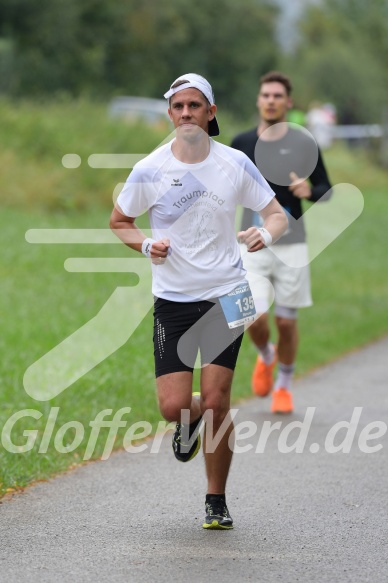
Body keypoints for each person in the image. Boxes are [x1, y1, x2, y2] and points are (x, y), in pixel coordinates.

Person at [110, 73, 288, 529]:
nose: (186, 113)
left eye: (194, 105)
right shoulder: (150, 169)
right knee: (174, 406)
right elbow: (120, 220)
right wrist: (146, 245)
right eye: (178, 107)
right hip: (172, 298)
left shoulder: (234, 164)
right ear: (170, 114)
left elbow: (276, 214)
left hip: (229, 292)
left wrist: (264, 234)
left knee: (217, 399)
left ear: (211, 112)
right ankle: (185, 425)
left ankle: (216, 499)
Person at [231, 71, 332, 414]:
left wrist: (310, 191)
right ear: (258, 101)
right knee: (250, 317)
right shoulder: (241, 143)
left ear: (288, 102)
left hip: (292, 244)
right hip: (251, 242)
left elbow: (327, 191)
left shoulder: (305, 144)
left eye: (278, 96)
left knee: (287, 323)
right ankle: (266, 355)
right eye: (266, 95)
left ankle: (284, 386)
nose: (271, 101)